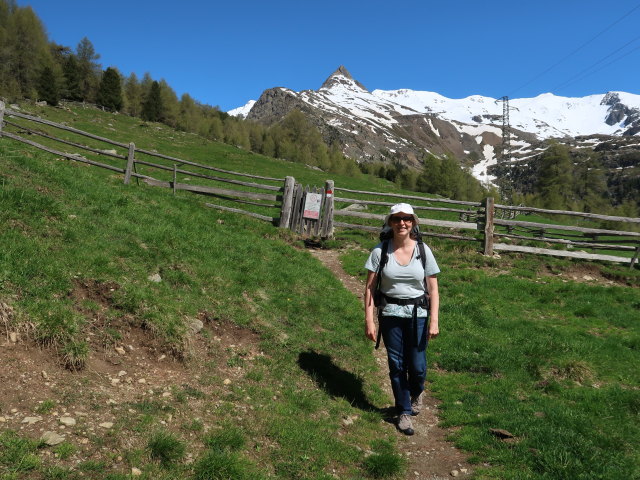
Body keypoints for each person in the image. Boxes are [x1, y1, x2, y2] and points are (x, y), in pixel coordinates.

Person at [364, 203, 440, 436]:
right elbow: (369, 288)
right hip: (390, 314)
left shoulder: (424, 250)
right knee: (397, 365)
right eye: (396, 219)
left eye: (406, 219)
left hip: (418, 315)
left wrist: (434, 320)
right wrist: (370, 320)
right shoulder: (380, 251)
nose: (401, 223)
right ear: (390, 222)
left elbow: (433, 289)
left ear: (413, 222)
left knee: (417, 367)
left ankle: (416, 392)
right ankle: (404, 410)